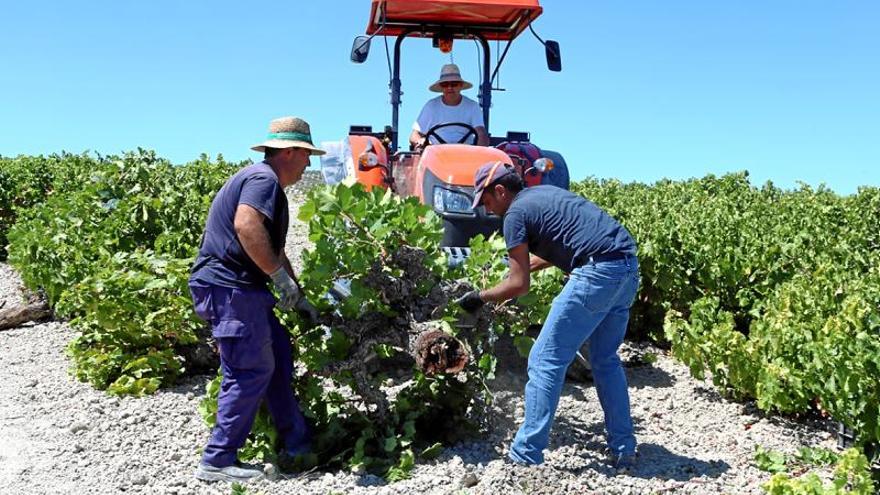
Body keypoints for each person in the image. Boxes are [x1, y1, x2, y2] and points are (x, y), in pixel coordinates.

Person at [456, 161, 641, 471]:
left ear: (500, 190)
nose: (486, 209)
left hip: (595, 273)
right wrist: (519, 267)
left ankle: (525, 456)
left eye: (486, 200)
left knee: (544, 360)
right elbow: (562, 244)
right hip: (626, 267)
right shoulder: (544, 194)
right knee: (605, 360)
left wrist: (480, 297)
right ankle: (624, 448)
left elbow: (519, 284)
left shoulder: (514, 215)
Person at [189, 116, 323, 482]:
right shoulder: (264, 179)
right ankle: (217, 460)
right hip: (231, 288)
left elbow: (274, 249)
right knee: (249, 369)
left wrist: (298, 293)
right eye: (306, 154)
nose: (308, 163)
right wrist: (278, 279)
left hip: (242, 289)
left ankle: (296, 442)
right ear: (290, 151)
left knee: (277, 354)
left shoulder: (260, 181)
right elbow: (247, 226)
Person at [409, 63, 490, 149]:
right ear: (441, 87)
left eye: (454, 84)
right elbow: (414, 135)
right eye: (445, 84)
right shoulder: (431, 106)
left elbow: (481, 133)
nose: (449, 88)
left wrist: (480, 149)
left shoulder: (472, 106)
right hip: (435, 154)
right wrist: (420, 141)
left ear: (460, 85)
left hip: (465, 155)